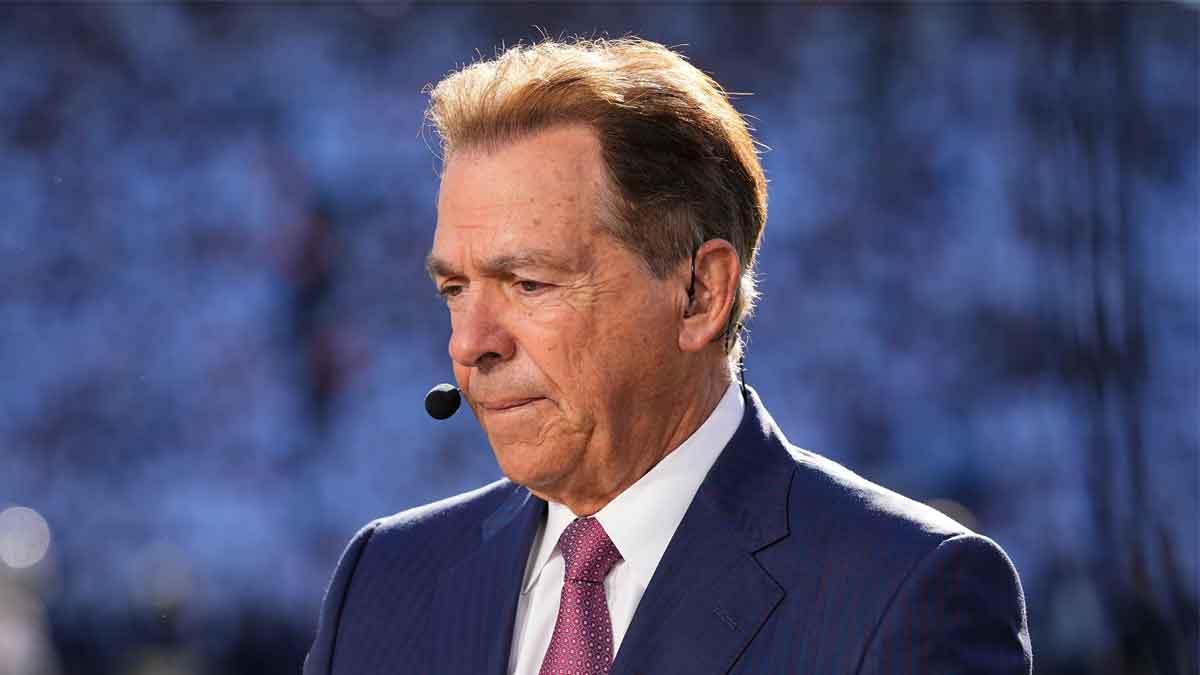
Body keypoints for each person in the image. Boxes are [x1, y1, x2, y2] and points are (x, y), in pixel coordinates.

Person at [304, 37, 1032, 675]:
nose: (470, 343)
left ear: (699, 294)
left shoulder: (906, 593)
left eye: (528, 283)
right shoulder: (384, 579)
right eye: (455, 288)